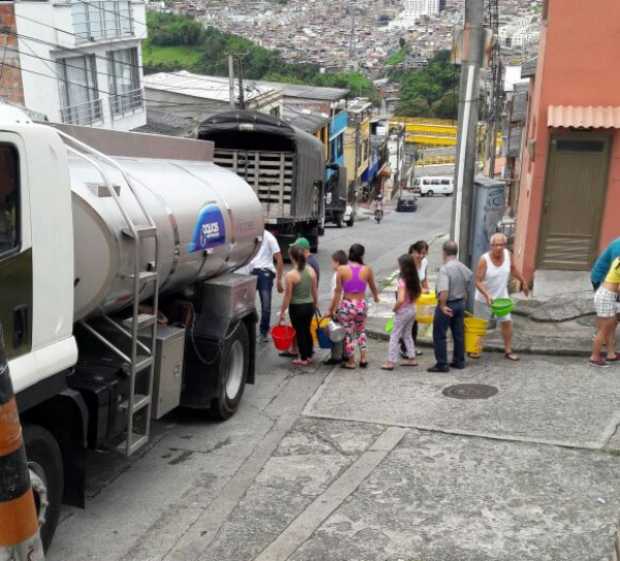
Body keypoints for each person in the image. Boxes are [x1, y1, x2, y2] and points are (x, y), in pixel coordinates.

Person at [474, 233, 529, 361]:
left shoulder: (508, 254)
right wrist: (487, 295)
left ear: (504, 245)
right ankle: (475, 349)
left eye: (501, 244)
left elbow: (513, 268)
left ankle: (508, 351)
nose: (499, 247)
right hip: (483, 300)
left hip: (502, 298)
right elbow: (477, 281)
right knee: (480, 326)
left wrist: (524, 282)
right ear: (491, 246)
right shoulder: (484, 259)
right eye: (496, 245)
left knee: (507, 323)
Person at [327, 243, 380, 369]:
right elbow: (372, 286)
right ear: (362, 255)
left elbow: (338, 291)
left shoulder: (342, 269)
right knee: (361, 331)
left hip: (347, 305)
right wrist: (376, 297)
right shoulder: (367, 269)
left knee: (349, 333)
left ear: (349, 253)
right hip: (361, 304)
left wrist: (332, 309)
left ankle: (351, 361)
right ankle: (363, 358)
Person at [428, 240, 473, 373]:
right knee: (458, 334)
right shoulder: (462, 266)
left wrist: (442, 305)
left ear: (444, 252)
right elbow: (469, 279)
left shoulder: (445, 269)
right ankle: (459, 361)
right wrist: (463, 297)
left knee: (440, 334)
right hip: (460, 303)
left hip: (448, 304)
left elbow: (444, 290)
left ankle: (442, 364)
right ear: (455, 252)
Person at [278, 245, 318, 366]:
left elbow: (288, 296)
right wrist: (315, 305)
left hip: (297, 308)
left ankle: (303, 358)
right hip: (309, 305)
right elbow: (314, 291)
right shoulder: (311, 270)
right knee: (306, 330)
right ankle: (309, 355)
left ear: (291, 257)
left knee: (300, 332)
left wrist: (282, 311)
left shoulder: (290, 275)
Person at [382, 254, 422, 370]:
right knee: (407, 334)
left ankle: (390, 362)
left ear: (404, 266)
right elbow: (418, 294)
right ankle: (411, 358)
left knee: (395, 335)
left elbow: (400, 299)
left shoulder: (402, 281)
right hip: (412, 309)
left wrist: (395, 309)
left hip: (403, 310)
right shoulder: (414, 279)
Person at [244, 229, 284, 342]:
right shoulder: (248, 235)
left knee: (265, 305)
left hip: (264, 272)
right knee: (245, 304)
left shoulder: (269, 237)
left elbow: (279, 257)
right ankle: (251, 327)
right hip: (250, 272)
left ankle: (263, 332)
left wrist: (279, 280)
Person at [400, 240, 430, 358]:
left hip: (417, 295)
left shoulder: (424, 262)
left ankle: (410, 348)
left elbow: (424, 278)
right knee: (406, 322)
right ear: (413, 251)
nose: (422, 256)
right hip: (405, 294)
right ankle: (404, 348)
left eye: (424, 254)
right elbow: (406, 283)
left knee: (414, 322)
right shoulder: (407, 262)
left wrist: (427, 289)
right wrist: (420, 290)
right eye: (420, 253)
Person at [591, 237, 620, 357]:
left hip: (611, 286)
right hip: (602, 279)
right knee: (607, 322)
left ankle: (611, 353)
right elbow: (615, 273)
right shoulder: (618, 246)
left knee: (612, 320)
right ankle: (596, 354)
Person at [324, 250, 349, 366]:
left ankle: (336, 356)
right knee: (346, 332)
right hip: (348, 306)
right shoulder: (348, 271)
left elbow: (336, 294)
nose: (331, 265)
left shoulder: (337, 275)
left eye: (332, 262)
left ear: (337, 262)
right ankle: (346, 354)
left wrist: (331, 309)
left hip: (339, 307)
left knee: (336, 332)